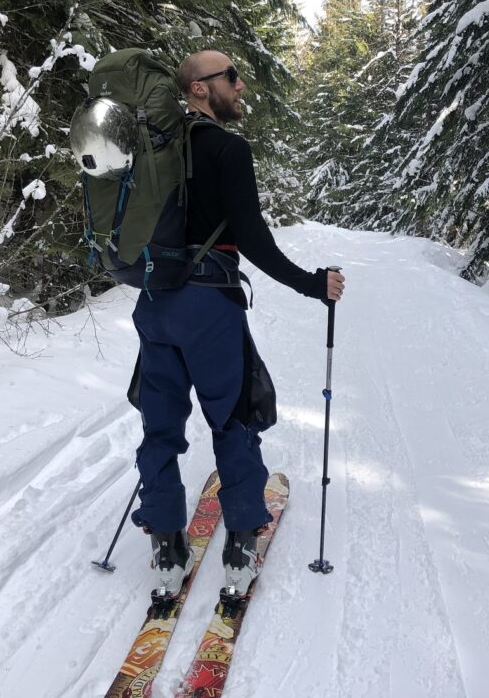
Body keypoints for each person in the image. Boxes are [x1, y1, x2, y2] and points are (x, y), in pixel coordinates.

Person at [130, 49, 346, 600]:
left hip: (154, 304)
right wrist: (310, 283)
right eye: (230, 76)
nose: (240, 85)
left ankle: (167, 550)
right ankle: (241, 544)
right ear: (199, 89)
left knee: (159, 427)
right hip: (207, 305)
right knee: (233, 419)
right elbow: (252, 239)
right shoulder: (227, 148)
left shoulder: (150, 148)